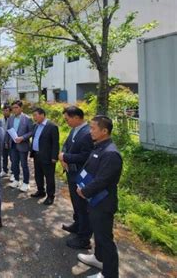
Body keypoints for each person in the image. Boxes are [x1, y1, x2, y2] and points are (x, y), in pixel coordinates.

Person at [75, 115, 123, 278]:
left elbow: (102, 180)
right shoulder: (99, 147)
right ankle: (98, 258)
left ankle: (110, 274)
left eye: (93, 128)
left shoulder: (111, 154)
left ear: (104, 131)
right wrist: (81, 184)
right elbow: (90, 170)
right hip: (94, 200)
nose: (90, 132)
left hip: (103, 202)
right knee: (98, 232)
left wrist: (85, 191)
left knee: (105, 239)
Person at [59, 106, 94, 249]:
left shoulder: (87, 133)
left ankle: (84, 238)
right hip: (71, 172)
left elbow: (86, 156)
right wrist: (62, 156)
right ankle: (77, 224)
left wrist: (66, 157)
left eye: (68, 119)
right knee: (76, 203)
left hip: (81, 176)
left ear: (76, 118)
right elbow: (66, 146)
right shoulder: (74, 130)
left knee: (83, 206)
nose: (66, 122)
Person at [29, 108, 59, 205]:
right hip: (37, 154)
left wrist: (54, 157)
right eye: (33, 115)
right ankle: (40, 191)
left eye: (35, 115)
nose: (34, 117)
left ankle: (50, 196)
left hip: (47, 156)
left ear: (42, 115)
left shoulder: (52, 126)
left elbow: (55, 143)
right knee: (38, 175)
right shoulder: (35, 126)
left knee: (49, 177)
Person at [5, 100, 33, 192]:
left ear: (21, 108)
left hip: (23, 144)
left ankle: (26, 182)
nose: (14, 109)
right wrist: (6, 142)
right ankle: (16, 180)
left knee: (24, 164)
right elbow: (8, 131)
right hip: (12, 145)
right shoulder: (11, 119)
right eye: (13, 108)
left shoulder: (27, 119)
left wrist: (23, 137)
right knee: (14, 163)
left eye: (16, 107)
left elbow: (31, 132)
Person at [0, 104, 12, 177]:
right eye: (4, 110)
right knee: (4, 157)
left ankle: (13, 172)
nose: (5, 112)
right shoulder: (1, 120)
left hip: (10, 141)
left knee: (12, 157)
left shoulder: (12, 119)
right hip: (2, 141)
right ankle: (4, 170)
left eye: (7, 110)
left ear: (10, 111)